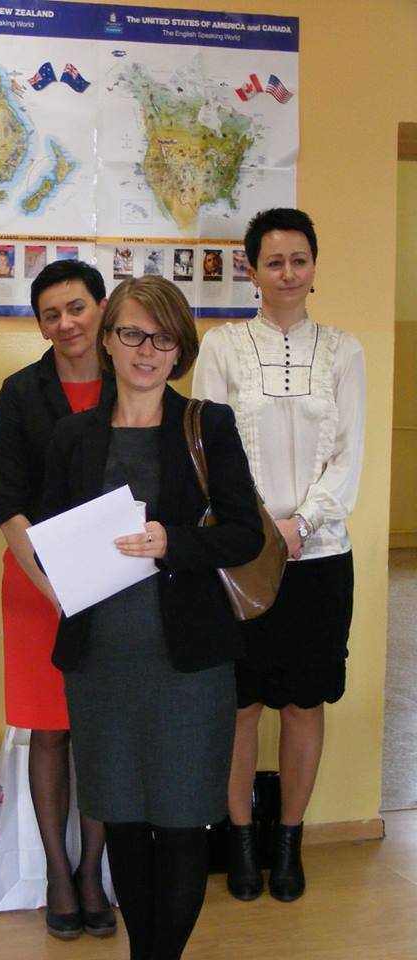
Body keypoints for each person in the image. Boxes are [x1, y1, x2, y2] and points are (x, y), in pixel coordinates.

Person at [37, 275, 264, 960]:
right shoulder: (73, 436)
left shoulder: (206, 425)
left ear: (180, 350)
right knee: (125, 823)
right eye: (132, 333)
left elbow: (245, 534)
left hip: (187, 665)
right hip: (102, 663)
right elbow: (49, 532)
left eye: (163, 338)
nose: (147, 350)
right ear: (107, 341)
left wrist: (174, 542)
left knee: (184, 822)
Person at [192, 208, 366, 902]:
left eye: (299, 259)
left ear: (313, 267)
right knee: (238, 704)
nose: (287, 273)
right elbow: (206, 452)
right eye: (274, 261)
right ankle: (239, 839)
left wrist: (303, 523)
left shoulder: (344, 350)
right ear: (252, 271)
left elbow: (350, 455)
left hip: (321, 558)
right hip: (240, 558)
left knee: (303, 702)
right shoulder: (222, 346)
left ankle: (288, 842)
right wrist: (262, 530)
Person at [0, 260, 117, 940]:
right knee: (50, 729)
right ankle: (57, 874)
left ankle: (93, 872)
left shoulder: (136, 375)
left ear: (102, 308)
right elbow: (5, 498)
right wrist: (53, 584)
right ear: (39, 325)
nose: (66, 323)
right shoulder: (20, 392)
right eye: (51, 314)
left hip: (118, 581)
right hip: (37, 582)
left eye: (77, 307)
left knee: (100, 728)